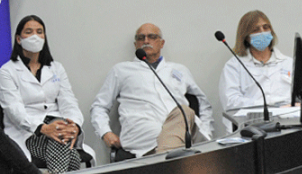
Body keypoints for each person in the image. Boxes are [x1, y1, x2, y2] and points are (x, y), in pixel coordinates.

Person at [90, 23, 213, 159]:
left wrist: (206, 130)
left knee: (184, 111)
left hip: (183, 129)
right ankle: (173, 161)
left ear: (162, 43)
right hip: (143, 133)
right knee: (177, 139)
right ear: (135, 44)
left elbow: (203, 103)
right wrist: (105, 132)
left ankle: (168, 160)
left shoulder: (179, 70)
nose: (146, 41)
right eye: (141, 38)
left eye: (152, 37)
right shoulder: (121, 70)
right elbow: (99, 106)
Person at [0, 15, 89, 173]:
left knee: (61, 139)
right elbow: (14, 110)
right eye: (29, 32)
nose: (35, 36)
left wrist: (74, 126)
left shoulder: (56, 68)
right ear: (18, 39)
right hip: (28, 131)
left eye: (39, 32)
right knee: (69, 153)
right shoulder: (7, 71)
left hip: (59, 126)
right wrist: (42, 128)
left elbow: (69, 102)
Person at [218, 10, 293, 113]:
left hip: (288, 120)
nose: (262, 32)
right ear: (246, 37)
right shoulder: (234, 66)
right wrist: (268, 106)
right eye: (255, 30)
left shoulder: (289, 63)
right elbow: (230, 102)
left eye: (266, 27)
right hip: (250, 121)